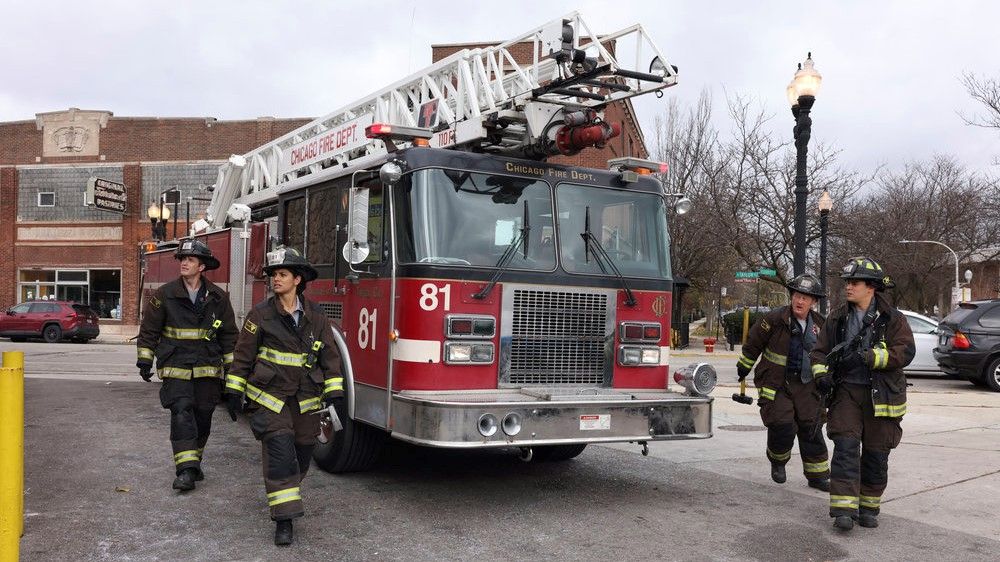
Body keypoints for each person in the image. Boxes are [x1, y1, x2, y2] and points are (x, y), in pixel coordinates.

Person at [224, 247, 343, 546]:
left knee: (302, 453)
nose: (275, 280)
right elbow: (242, 356)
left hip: (305, 398)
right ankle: (284, 519)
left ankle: (285, 494)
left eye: (282, 274)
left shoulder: (316, 317)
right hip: (269, 396)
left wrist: (336, 391)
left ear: (297, 279)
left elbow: (330, 357)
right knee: (279, 451)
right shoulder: (260, 315)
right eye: (273, 275)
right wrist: (234, 390)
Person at [810, 257, 914, 531]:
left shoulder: (893, 319)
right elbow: (819, 351)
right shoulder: (837, 317)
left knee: (876, 455)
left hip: (882, 397)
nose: (848, 287)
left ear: (871, 287)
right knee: (845, 448)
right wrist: (821, 375)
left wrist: (871, 357)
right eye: (847, 282)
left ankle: (869, 506)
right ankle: (843, 509)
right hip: (847, 393)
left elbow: (905, 351)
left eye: (854, 282)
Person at [136, 239, 238, 492]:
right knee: (182, 412)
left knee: (203, 416)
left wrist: (235, 376)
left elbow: (229, 337)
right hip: (176, 366)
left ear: (202, 266)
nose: (184, 263)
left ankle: (194, 460)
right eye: (182, 258)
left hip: (207, 368)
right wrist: (145, 359)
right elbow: (149, 329)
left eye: (190, 259)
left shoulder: (218, 297)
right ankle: (186, 471)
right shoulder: (165, 295)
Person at [737, 273, 830, 491]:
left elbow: (827, 353)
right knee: (782, 426)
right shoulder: (774, 320)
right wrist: (744, 365)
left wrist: (827, 378)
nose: (799, 301)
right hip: (777, 383)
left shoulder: (820, 325)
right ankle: (778, 462)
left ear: (813, 302)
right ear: (791, 296)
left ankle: (817, 475)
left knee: (811, 429)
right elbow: (753, 344)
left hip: (808, 386)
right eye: (797, 295)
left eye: (805, 298)